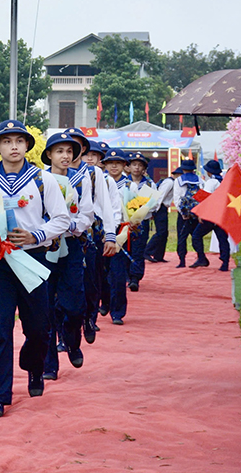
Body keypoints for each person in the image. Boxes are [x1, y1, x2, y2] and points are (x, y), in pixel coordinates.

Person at [0, 120, 69, 418]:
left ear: (27, 146)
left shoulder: (43, 179)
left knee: (38, 326)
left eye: (19, 141)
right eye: (7, 141)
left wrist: (36, 235)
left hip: (32, 258)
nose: (13, 146)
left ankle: (35, 366)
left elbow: (62, 219)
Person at [41, 132, 89, 379]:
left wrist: (71, 225)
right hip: (44, 248)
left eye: (70, 152)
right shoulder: (38, 180)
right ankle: (49, 365)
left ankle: (72, 340)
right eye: (59, 151)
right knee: (45, 306)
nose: (65, 156)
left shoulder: (81, 180)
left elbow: (87, 214)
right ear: (49, 155)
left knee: (74, 306)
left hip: (71, 247)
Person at [80, 140, 117, 342]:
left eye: (95, 155)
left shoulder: (99, 177)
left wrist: (110, 233)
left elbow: (109, 206)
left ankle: (90, 317)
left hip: (93, 232)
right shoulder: (56, 173)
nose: (90, 158)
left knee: (92, 278)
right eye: (87, 154)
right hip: (63, 234)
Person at [101, 148, 133, 325]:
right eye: (110, 163)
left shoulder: (130, 186)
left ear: (124, 166)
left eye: (118, 163)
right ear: (104, 165)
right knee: (100, 272)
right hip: (100, 233)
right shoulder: (99, 181)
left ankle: (118, 312)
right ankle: (104, 302)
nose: (114, 166)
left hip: (121, 233)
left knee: (118, 274)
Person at [190, 160, 230, 271]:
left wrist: (201, 213)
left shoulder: (211, 182)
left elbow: (204, 198)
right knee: (222, 238)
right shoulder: (223, 181)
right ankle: (225, 262)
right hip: (221, 214)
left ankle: (202, 258)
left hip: (211, 214)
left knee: (196, 236)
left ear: (208, 171)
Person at [126, 152, 156, 291]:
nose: (137, 168)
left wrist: (142, 209)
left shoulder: (150, 183)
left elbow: (155, 203)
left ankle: (135, 277)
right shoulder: (123, 182)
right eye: (134, 165)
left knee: (138, 249)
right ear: (129, 167)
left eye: (140, 165)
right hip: (124, 222)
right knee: (125, 248)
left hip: (142, 222)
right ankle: (124, 275)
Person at [145, 167, 179, 263]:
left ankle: (159, 255)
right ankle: (147, 251)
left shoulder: (173, 182)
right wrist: (155, 209)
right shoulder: (169, 182)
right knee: (161, 232)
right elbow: (160, 195)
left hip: (163, 208)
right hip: (160, 208)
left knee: (164, 233)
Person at [173, 159, 201, 268]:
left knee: (181, 237)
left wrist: (182, 212)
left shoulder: (178, 180)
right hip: (196, 213)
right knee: (196, 236)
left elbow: (177, 198)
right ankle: (200, 257)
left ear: (183, 169)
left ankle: (182, 261)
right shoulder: (199, 180)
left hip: (184, 214)